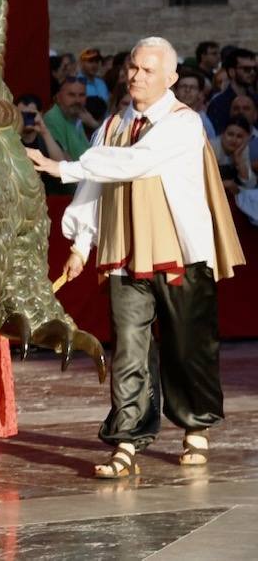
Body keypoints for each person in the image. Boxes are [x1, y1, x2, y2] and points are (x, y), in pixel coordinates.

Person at [29, 37, 245, 479]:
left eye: (148, 70)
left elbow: (135, 163)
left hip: (178, 252)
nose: (136, 76)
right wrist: (80, 244)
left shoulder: (183, 123)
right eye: (132, 67)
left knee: (187, 345)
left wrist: (62, 168)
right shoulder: (110, 126)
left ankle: (195, 428)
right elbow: (95, 186)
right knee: (129, 348)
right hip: (125, 254)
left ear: (170, 78)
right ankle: (127, 439)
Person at [44, 77, 95, 168]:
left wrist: (94, 125)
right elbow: (64, 161)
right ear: (58, 97)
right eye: (71, 95)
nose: (77, 100)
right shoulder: (53, 118)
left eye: (82, 95)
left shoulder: (77, 115)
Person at [205, 47, 256, 135]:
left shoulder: (255, 100)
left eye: (255, 69)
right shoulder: (218, 103)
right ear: (232, 72)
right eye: (246, 69)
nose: (252, 72)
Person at [210, 116, 256, 194]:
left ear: (246, 138)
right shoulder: (212, 147)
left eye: (239, 136)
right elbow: (202, 181)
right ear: (223, 134)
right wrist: (225, 184)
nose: (234, 140)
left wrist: (239, 161)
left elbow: (250, 185)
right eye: (230, 134)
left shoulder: (243, 149)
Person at [174, 67, 213, 138]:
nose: (187, 90)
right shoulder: (165, 116)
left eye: (193, 87)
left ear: (200, 93)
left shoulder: (204, 122)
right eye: (183, 86)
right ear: (176, 91)